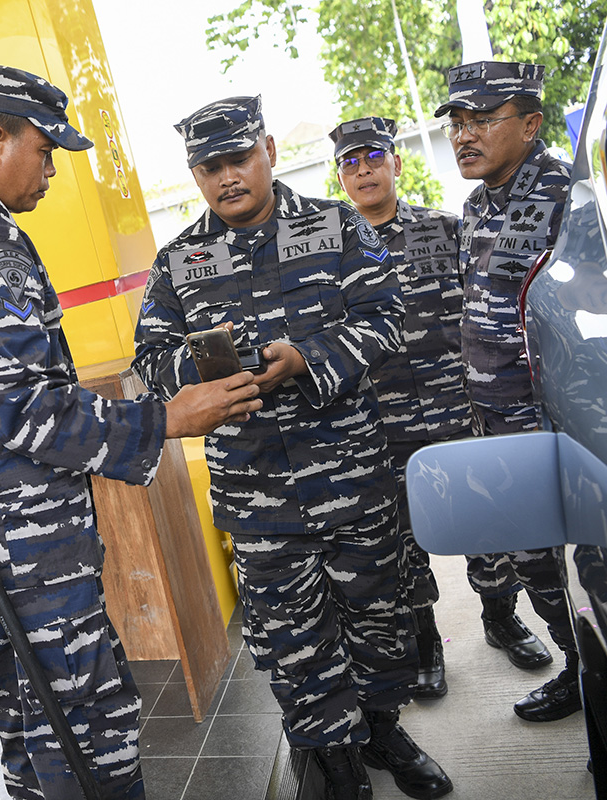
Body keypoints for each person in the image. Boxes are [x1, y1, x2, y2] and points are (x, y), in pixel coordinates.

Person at [0, 63, 263, 800]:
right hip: (26, 536)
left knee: (34, 711)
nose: (52, 170)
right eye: (46, 149)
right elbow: (29, 412)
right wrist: (168, 419)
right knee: (87, 721)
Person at [132, 95, 452, 800]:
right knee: (292, 639)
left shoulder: (336, 227)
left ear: (269, 151)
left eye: (238, 159)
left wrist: (309, 358)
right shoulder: (179, 260)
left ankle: (383, 729)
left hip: (352, 477)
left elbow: (386, 318)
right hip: (256, 496)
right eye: (207, 167)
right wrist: (203, 375)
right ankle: (332, 759)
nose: (226, 179)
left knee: (377, 614)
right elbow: (151, 359)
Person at [435, 60, 581, 722]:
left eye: (481, 120)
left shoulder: (567, 200)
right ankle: (581, 669)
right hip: (495, 423)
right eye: (457, 123)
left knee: (584, 561)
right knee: (533, 559)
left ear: (531, 124)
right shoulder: (475, 204)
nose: (464, 135)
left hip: (557, 425)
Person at [328, 116, 470, 700]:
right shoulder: (329, 256)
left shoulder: (445, 230)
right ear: (341, 178)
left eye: (373, 157)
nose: (363, 169)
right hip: (382, 426)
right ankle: (426, 642)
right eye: (350, 162)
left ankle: (501, 616)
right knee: (403, 544)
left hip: (456, 410)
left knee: (485, 527)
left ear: (397, 164)